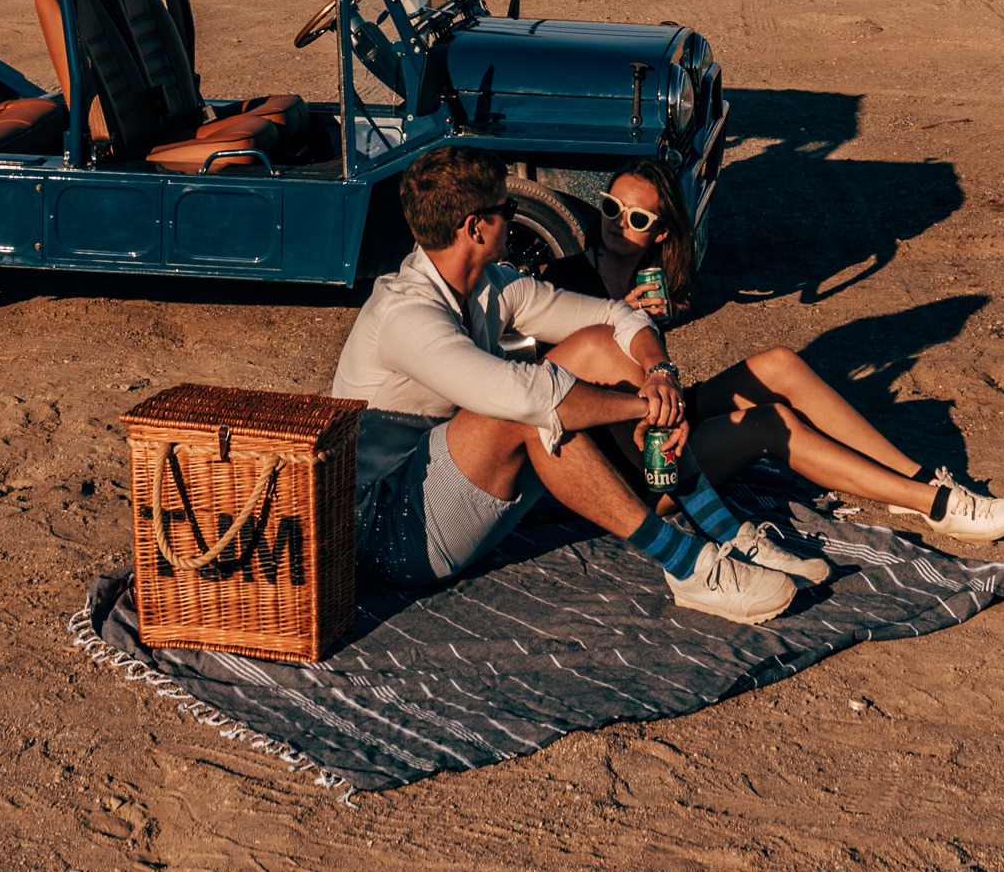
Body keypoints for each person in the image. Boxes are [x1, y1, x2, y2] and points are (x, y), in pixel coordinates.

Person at [331, 145, 799, 624]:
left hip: (449, 486)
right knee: (529, 411)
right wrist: (644, 409)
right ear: (476, 227)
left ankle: (721, 527)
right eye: (506, 209)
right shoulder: (404, 316)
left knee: (596, 345)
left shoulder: (492, 285)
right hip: (390, 530)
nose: (512, 218)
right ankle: (689, 568)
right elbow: (526, 397)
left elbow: (615, 316)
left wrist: (660, 373)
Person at [544, 160, 1004, 548]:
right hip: (628, 464)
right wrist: (621, 323)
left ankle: (914, 477)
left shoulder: (650, 285)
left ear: (662, 233)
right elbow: (554, 388)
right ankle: (936, 505)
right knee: (773, 422)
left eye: (637, 218)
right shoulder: (562, 282)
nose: (617, 224)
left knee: (780, 363)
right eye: (610, 207)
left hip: (663, 420)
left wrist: (656, 324)